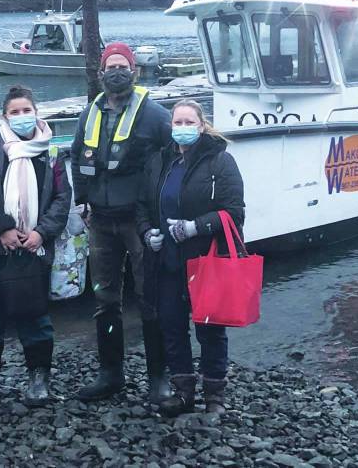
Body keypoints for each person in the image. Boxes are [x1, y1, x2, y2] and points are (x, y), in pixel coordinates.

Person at [70, 42, 172, 404]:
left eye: (123, 66)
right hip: (100, 220)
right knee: (105, 299)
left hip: (139, 220)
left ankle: (159, 376)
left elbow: (174, 157)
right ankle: (110, 373)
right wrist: (82, 200)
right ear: (101, 73)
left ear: (134, 71)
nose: (117, 72)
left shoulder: (156, 115)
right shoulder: (89, 113)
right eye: (110, 66)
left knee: (151, 298)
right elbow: (76, 155)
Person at [0, 85, 71, 406]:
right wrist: (3, 228)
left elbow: (61, 199)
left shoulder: (50, 152)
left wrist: (41, 233)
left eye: (27, 110)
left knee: (33, 310)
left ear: (36, 112)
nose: (22, 117)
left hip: (32, 246)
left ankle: (39, 374)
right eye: (15, 112)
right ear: (5, 116)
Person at [136, 99, 245, 416]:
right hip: (167, 261)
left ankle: (215, 395)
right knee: (171, 325)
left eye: (188, 122)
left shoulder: (221, 162)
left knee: (210, 328)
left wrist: (196, 227)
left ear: (201, 125)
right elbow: (143, 205)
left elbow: (234, 212)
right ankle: (184, 391)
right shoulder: (159, 161)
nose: (182, 128)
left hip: (205, 260)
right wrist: (147, 233)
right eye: (177, 122)